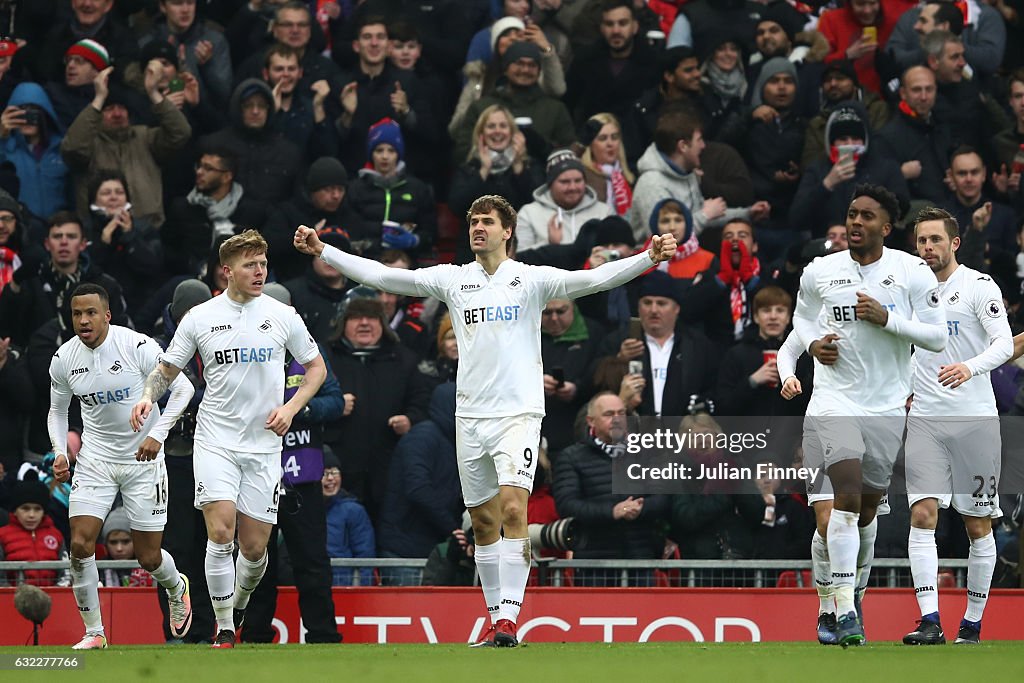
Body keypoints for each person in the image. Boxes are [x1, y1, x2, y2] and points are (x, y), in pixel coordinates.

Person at [293, 194, 678, 647]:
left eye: (487, 222)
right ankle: (496, 618)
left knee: (515, 508)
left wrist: (646, 259)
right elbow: (385, 276)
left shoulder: (529, 280)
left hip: (518, 413)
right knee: (482, 523)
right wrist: (326, 251)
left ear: (507, 231)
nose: (478, 228)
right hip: (470, 415)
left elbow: (593, 279)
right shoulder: (454, 281)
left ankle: (509, 620)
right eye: (473, 221)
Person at [131, 230, 327, 648]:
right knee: (220, 533)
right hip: (215, 440)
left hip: (263, 446)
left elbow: (317, 370)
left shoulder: (283, 315)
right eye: (249, 265)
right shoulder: (199, 317)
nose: (259, 272)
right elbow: (166, 369)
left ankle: (237, 603)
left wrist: (290, 409)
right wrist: (148, 396)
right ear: (227, 271)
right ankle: (223, 627)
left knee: (254, 551)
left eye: (263, 264)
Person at [789, 183, 947, 646]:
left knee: (865, 512)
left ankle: (838, 596)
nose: (855, 222)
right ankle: (842, 610)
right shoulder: (821, 270)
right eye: (851, 214)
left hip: (886, 406)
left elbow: (936, 337)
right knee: (847, 497)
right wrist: (813, 344)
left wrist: (887, 319)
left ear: (886, 226)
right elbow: (803, 318)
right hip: (833, 402)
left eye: (866, 216)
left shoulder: (911, 271)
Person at [48, 282, 195, 649]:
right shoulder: (64, 358)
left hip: (143, 460)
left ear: (107, 315)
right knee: (80, 544)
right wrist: (60, 451)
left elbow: (184, 390)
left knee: (148, 557)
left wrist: (157, 434)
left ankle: (177, 586)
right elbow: (57, 410)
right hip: (96, 460)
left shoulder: (136, 345)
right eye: (77, 314)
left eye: (91, 313)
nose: (83, 320)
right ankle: (94, 633)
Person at [902, 207, 1012, 645]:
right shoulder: (910, 291)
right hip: (926, 419)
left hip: (976, 423)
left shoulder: (977, 286)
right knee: (922, 514)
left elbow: (1004, 342)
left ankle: (972, 623)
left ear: (954, 243)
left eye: (935, 240)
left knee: (977, 526)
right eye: (921, 241)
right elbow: (909, 351)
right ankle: (929, 619)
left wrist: (969, 368)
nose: (927, 248)